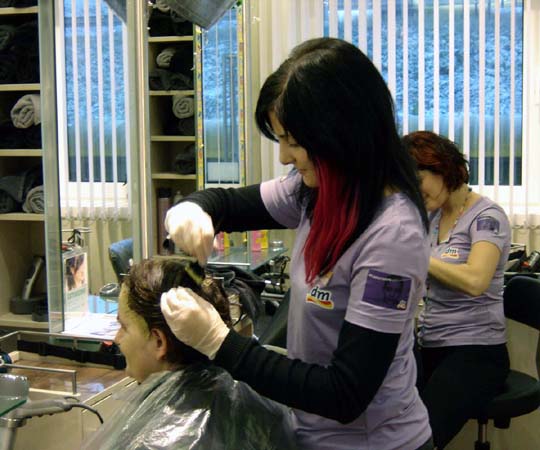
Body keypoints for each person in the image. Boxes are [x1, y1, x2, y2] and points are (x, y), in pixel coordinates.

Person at [161, 37, 434, 450]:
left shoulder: (392, 236)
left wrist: (220, 343)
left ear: (341, 133)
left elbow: (344, 393)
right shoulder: (318, 191)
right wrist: (192, 210)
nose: (285, 158)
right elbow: (228, 204)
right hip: (310, 434)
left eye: (293, 140)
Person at [82, 257, 296, 450]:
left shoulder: (154, 442)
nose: (117, 338)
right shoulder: (255, 397)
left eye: (124, 327)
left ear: (159, 342)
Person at [402, 130, 511, 449]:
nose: (415, 192)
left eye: (418, 180)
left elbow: (476, 280)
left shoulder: (487, 217)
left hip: (476, 351)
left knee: (418, 439)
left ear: (443, 168)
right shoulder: (432, 216)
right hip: (430, 344)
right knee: (389, 418)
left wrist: (416, 256)